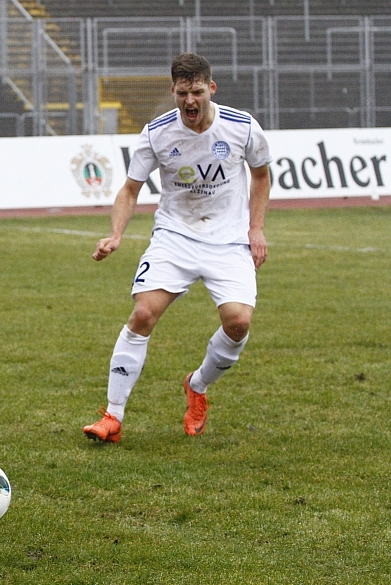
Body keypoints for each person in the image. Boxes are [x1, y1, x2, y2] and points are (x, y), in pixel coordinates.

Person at [82, 52, 271, 443]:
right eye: (183, 93)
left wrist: (256, 229)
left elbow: (261, 175)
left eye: (197, 92)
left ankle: (197, 386)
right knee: (143, 313)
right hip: (175, 236)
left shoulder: (242, 127)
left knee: (238, 323)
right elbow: (130, 190)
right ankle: (112, 417)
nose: (190, 101)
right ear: (173, 91)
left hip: (229, 240)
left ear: (211, 89)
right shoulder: (157, 133)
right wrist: (115, 235)